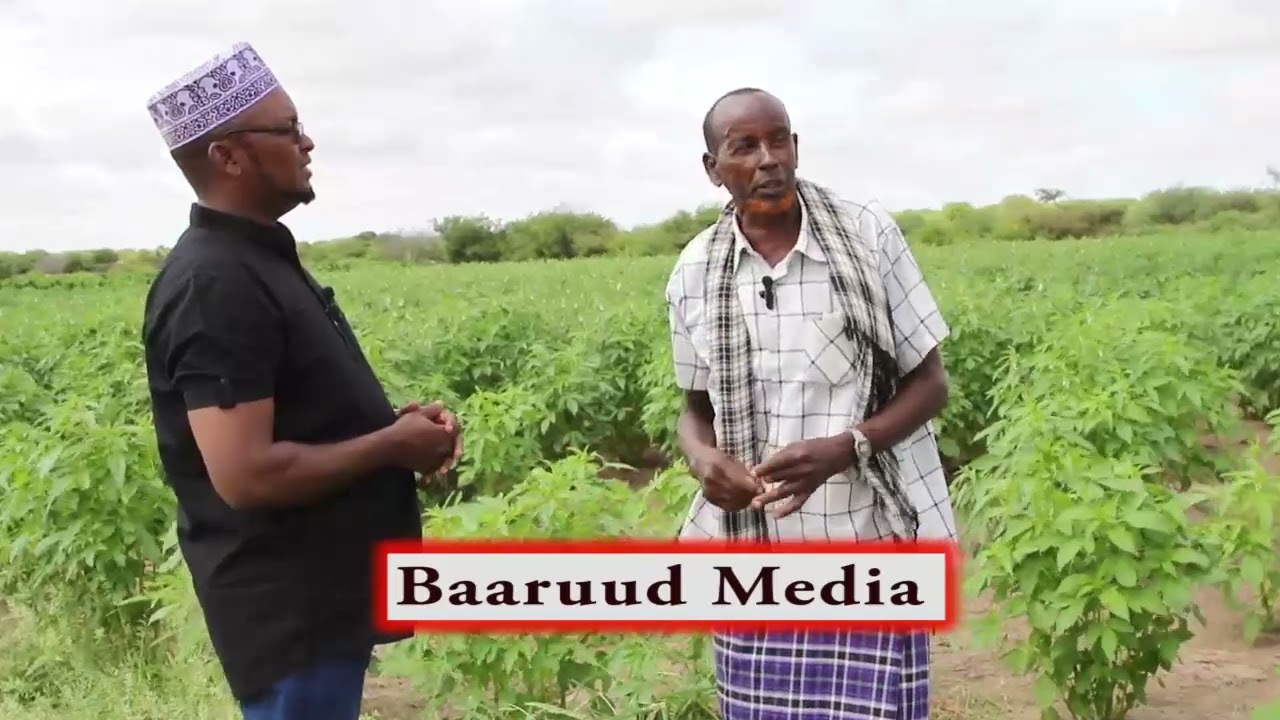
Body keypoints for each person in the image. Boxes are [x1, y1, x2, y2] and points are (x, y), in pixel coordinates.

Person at [140, 42, 461, 720]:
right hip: (290, 615)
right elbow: (246, 474)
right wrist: (392, 447)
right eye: (287, 130)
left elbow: (295, 419)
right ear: (228, 155)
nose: (307, 142)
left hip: (320, 604)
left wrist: (399, 431)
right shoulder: (214, 283)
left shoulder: (255, 260)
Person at [664, 87, 958, 719]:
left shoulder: (862, 234)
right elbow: (694, 407)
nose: (768, 159)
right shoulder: (694, 270)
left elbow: (931, 382)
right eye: (744, 147)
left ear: (796, 149)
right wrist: (701, 460)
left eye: (779, 140)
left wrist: (849, 446)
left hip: (866, 536)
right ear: (714, 168)